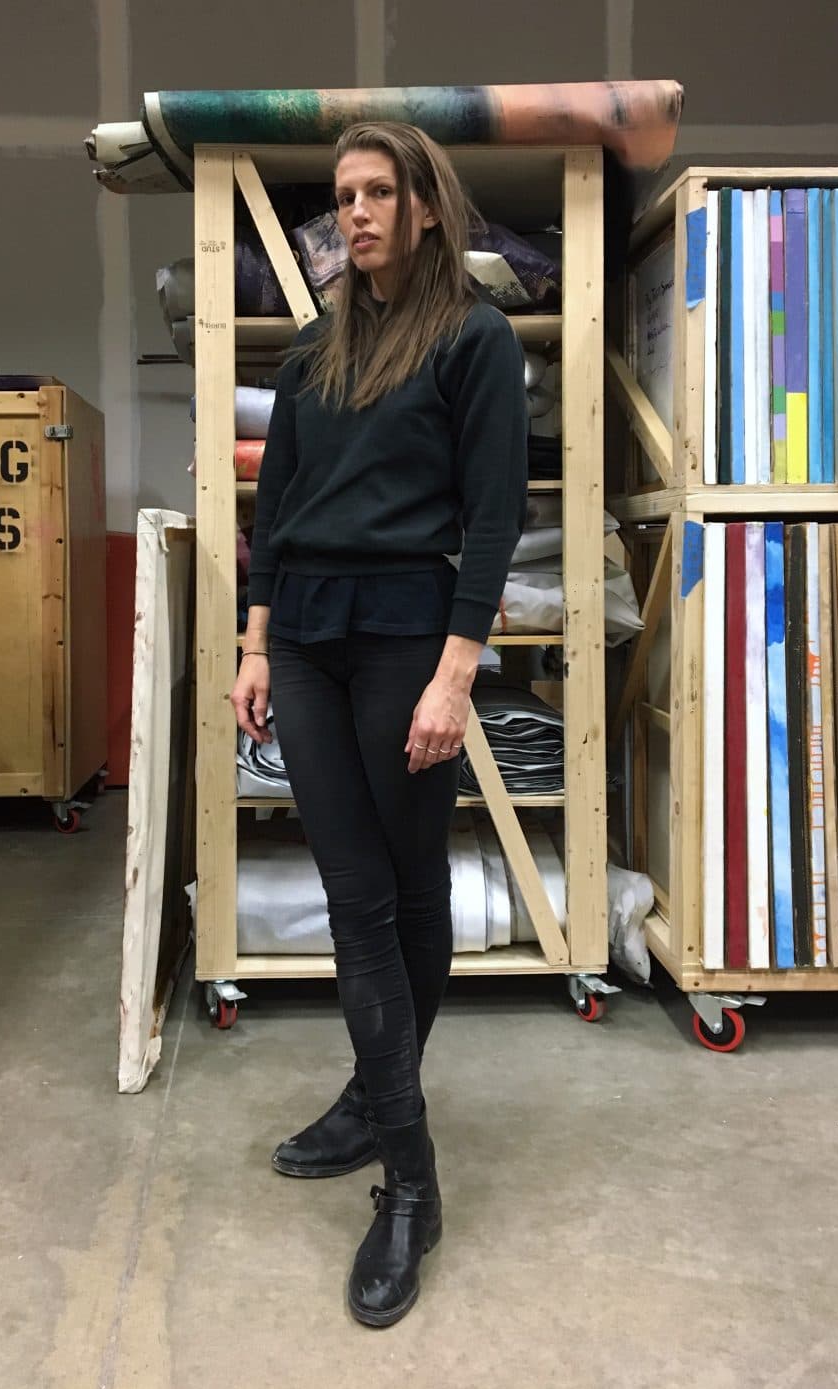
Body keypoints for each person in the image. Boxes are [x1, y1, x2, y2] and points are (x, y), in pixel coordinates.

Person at [231, 120, 528, 1327]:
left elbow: (496, 517)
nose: (351, 212)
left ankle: (378, 1113)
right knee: (356, 895)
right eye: (342, 195)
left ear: (423, 206)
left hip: (408, 634)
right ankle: (409, 1166)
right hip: (305, 636)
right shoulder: (315, 349)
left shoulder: (473, 337)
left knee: (410, 890)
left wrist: (454, 676)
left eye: (374, 192)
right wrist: (254, 641)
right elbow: (275, 504)